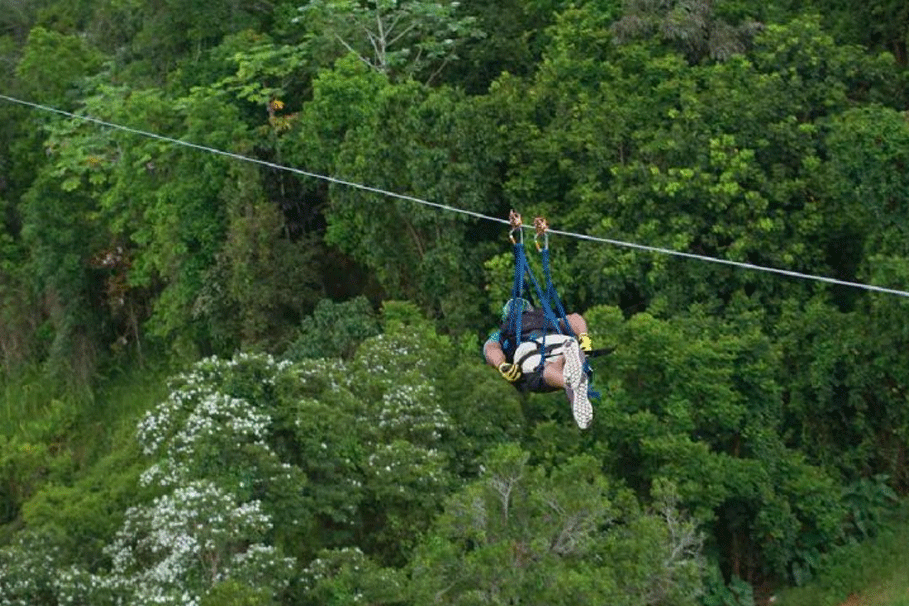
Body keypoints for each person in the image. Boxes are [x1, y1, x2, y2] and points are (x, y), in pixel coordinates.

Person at [483, 298, 594, 429]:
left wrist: (502, 365)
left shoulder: (503, 333)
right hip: (560, 340)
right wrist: (583, 336)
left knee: (544, 371)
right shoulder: (548, 320)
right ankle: (570, 363)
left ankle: (568, 383)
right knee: (563, 356)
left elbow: (490, 348)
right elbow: (573, 318)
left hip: (530, 350)